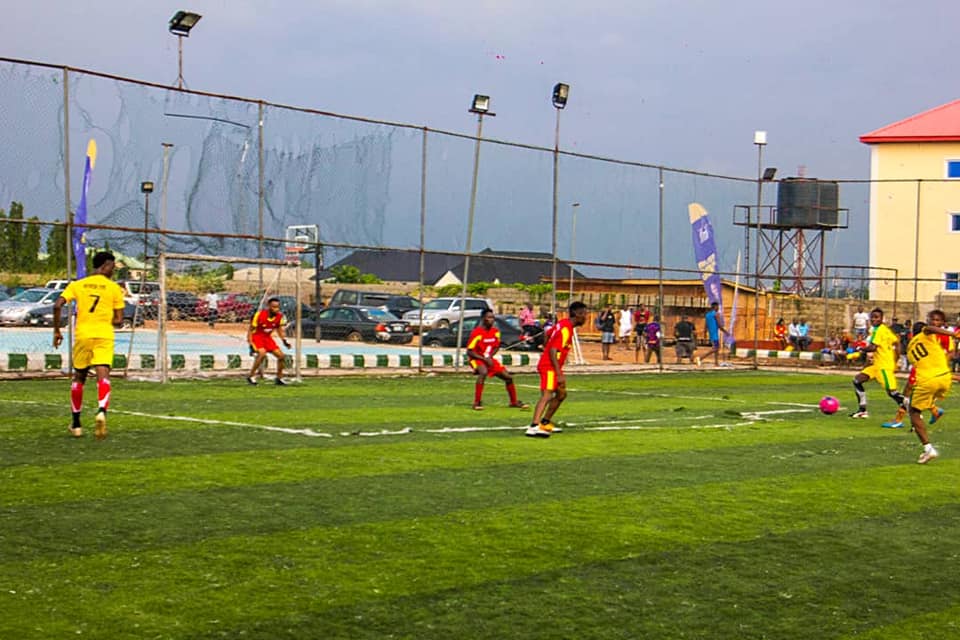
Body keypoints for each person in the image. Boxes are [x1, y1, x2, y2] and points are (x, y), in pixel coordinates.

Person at [52, 251, 126, 439]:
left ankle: (76, 424)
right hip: (104, 335)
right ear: (105, 265)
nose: (113, 271)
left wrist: (57, 331)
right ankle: (101, 411)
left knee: (79, 377)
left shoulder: (78, 285)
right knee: (103, 374)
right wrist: (106, 319)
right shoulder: (114, 288)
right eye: (112, 267)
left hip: (83, 335)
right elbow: (119, 320)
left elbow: (57, 305)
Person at [902, 311, 959, 463]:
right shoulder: (930, 336)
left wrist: (953, 335)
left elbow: (929, 330)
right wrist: (953, 334)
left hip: (928, 380)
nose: (934, 323)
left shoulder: (910, 347)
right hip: (944, 377)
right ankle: (934, 409)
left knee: (914, 412)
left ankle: (928, 449)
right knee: (925, 398)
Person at [527, 301, 588, 438]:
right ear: (577, 314)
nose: (586, 318)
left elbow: (547, 334)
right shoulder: (565, 329)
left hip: (552, 366)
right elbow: (553, 351)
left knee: (561, 394)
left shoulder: (563, 324)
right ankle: (534, 426)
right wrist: (558, 372)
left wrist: (545, 347)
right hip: (549, 367)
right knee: (547, 394)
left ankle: (545, 422)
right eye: (584, 314)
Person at [849, 307, 906, 420]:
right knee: (857, 381)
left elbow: (873, 347)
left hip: (883, 366)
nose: (874, 319)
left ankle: (914, 410)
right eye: (872, 317)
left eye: (877, 317)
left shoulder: (879, 330)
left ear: (882, 318)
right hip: (877, 365)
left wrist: (860, 348)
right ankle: (862, 411)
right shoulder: (885, 330)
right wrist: (896, 359)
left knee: (892, 392)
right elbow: (897, 342)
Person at [466, 308, 528, 410]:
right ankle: (477, 402)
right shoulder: (477, 333)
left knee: (508, 377)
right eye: (489, 317)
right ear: (483, 319)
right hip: (476, 358)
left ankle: (513, 402)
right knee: (483, 372)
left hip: (488, 359)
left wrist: (490, 357)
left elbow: (496, 346)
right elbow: (470, 352)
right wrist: (484, 359)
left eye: (493, 317)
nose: (492, 320)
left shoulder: (495, 332)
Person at [247, 297, 292, 385]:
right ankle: (251, 376)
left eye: (277, 307)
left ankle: (279, 378)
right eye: (274, 307)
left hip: (267, 338)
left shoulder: (279, 316)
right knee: (262, 353)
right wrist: (250, 343)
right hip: (257, 337)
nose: (276, 309)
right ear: (269, 306)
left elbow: (279, 329)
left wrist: (284, 341)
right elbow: (250, 330)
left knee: (281, 356)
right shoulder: (259, 315)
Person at [700, 301, 728, 366]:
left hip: (711, 333)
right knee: (716, 348)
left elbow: (705, 326)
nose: (718, 308)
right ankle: (701, 358)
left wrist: (705, 333)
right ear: (715, 307)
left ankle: (716, 362)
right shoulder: (716, 314)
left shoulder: (707, 315)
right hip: (715, 334)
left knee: (716, 348)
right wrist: (726, 332)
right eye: (717, 307)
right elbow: (719, 325)